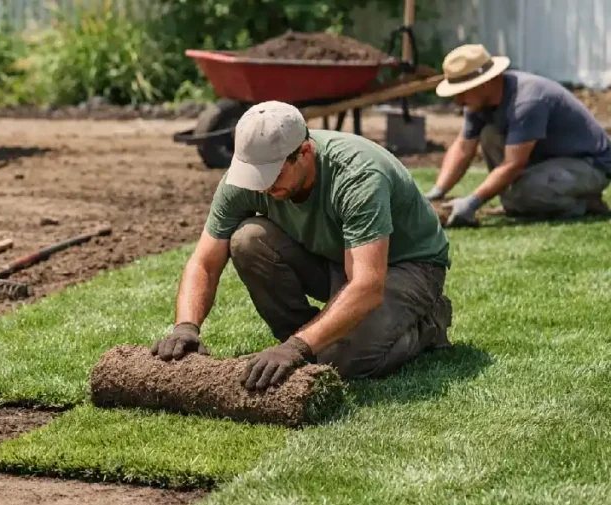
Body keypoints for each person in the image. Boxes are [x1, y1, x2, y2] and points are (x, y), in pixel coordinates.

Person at [151, 101, 454, 391]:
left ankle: (428, 324)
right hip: (336, 257)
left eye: (274, 174)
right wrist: (186, 327)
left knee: (344, 363)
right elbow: (204, 261)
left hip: (407, 266)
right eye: (255, 174)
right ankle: (305, 341)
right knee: (248, 239)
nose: (264, 186)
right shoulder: (247, 179)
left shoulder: (357, 176)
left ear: (305, 152)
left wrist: (297, 348)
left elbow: (367, 285)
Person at [425, 44, 611, 227]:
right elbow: (463, 149)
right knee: (489, 134)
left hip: (590, 165)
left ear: (484, 83)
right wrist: (437, 192)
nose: (458, 101)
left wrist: (472, 203)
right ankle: (525, 201)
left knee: (522, 194)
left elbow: (513, 165)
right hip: (546, 160)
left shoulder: (527, 100)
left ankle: (583, 204)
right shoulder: (477, 103)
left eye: (462, 92)